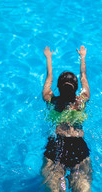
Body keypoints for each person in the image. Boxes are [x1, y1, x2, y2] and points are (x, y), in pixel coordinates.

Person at [41, 45, 92, 192]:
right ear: (76, 88)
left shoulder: (50, 99)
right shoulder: (82, 100)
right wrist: (82, 57)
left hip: (55, 149)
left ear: (58, 86)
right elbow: (83, 76)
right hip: (78, 149)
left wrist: (49, 59)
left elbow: (49, 78)